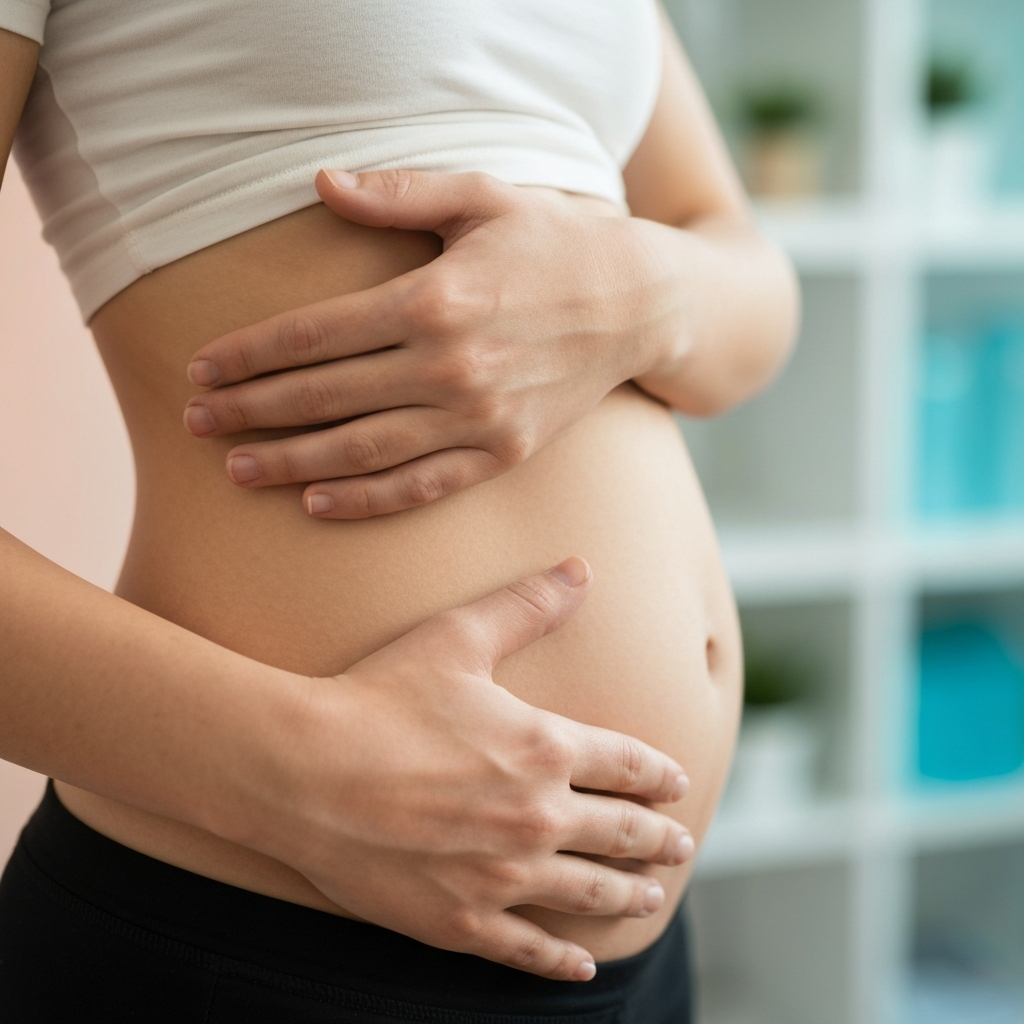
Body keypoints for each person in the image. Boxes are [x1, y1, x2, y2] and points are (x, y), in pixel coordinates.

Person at [0, 2, 798, 1021]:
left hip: (636, 952)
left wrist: (635, 289)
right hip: (270, 927)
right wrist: (299, 773)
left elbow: (744, 273)